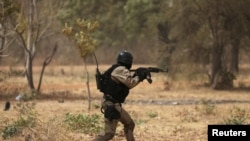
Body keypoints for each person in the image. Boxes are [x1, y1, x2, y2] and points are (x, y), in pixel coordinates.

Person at [93, 50, 149, 141]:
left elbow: (125, 82)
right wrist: (140, 77)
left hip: (114, 103)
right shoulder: (120, 69)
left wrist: (137, 74)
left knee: (130, 124)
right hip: (111, 104)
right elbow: (130, 83)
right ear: (129, 61)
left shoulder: (118, 69)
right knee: (109, 134)